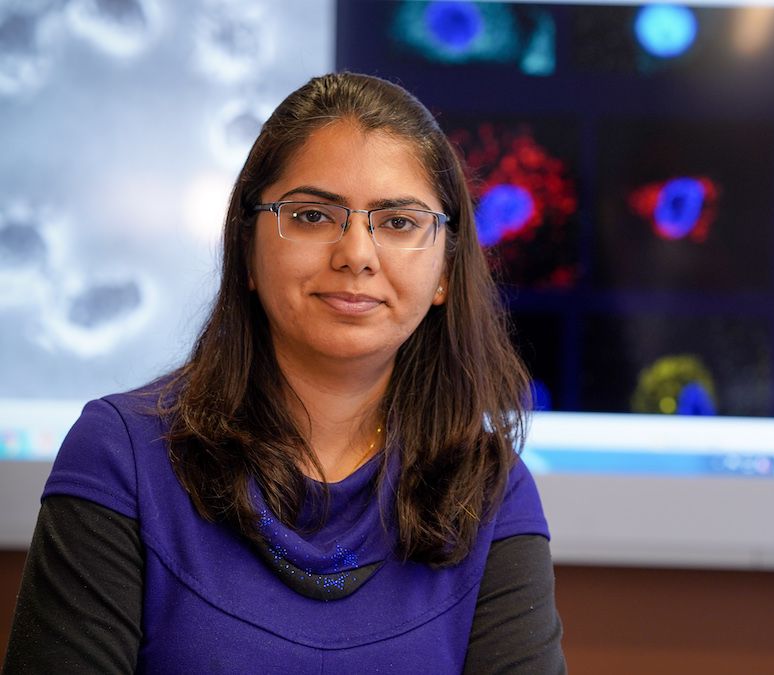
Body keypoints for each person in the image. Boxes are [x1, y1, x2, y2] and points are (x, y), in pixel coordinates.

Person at [3, 72, 565, 673]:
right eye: (312, 216)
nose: (355, 254)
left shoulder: (489, 492)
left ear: (447, 272)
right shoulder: (122, 455)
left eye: (398, 222)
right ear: (247, 248)